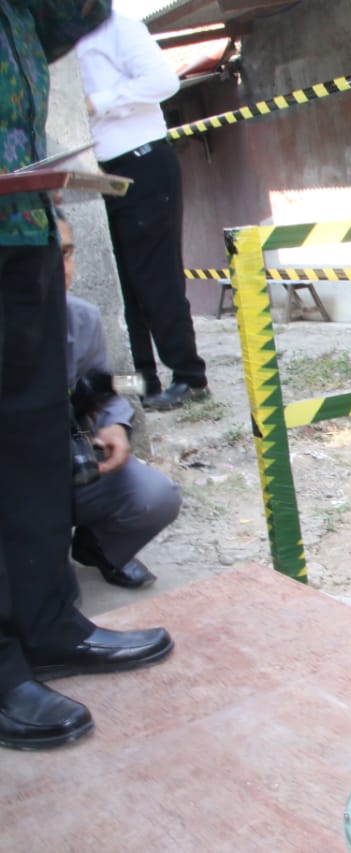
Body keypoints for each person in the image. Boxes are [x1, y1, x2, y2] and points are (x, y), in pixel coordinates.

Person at [0, 0, 175, 752]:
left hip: (18, 220)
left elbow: (77, 15)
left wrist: (112, 419)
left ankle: (49, 624)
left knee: (31, 440)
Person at [76, 9, 209, 411]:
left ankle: (189, 377)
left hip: (142, 161)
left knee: (155, 279)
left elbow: (164, 81)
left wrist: (99, 103)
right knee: (122, 288)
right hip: (102, 170)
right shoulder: (61, 40)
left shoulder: (116, 27)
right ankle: (142, 381)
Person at [58, 210, 182, 589]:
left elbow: (105, 386)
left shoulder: (82, 317)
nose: (59, 269)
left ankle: (99, 548)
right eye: (40, 255)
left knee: (155, 496)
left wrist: (114, 422)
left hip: (71, 468)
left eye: (65, 253)